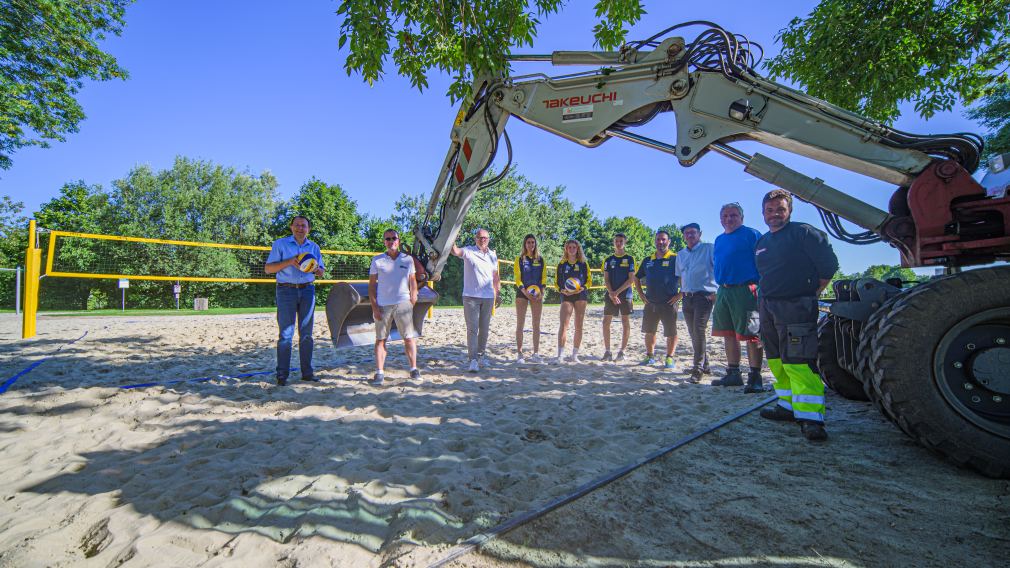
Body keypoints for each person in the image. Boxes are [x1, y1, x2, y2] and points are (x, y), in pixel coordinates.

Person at [755, 189, 839, 442]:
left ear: (789, 211)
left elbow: (829, 266)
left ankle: (812, 418)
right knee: (777, 360)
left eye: (780, 209)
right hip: (768, 305)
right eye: (770, 210)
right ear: (763, 213)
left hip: (797, 305)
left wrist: (810, 292)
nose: (775, 214)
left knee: (800, 362)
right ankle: (787, 406)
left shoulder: (803, 233)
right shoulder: (763, 242)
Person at [264, 215, 325, 386]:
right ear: (291, 227)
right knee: (285, 335)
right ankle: (282, 376)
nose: (300, 228)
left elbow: (321, 272)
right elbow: (268, 269)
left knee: (306, 335)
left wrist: (315, 268)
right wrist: (290, 262)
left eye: (303, 226)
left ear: (308, 229)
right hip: (285, 290)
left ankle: (307, 373)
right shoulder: (280, 244)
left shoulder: (314, 247)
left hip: (307, 290)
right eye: (297, 225)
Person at [711, 202, 765, 392]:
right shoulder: (719, 239)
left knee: (752, 334)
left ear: (741, 217)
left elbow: (764, 261)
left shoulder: (752, 234)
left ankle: (755, 376)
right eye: (725, 216)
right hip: (724, 290)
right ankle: (733, 373)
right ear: (720, 219)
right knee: (728, 333)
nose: (729, 219)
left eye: (733, 215)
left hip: (747, 289)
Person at [368, 229, 420, 386]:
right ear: (384, 241)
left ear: (399, 240)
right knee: (380, 339)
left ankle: (414, 369)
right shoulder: (377, 260)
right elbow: (371, 286)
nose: (391, 241)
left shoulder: (408, 259)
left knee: (409, 337)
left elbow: (412, 280)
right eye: (388, 238)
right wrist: (374, 306)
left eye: (394, 238)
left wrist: (414, 295)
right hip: (383, 305)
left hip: (403, 303)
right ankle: (379, 372)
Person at [451, 228, 500, 373]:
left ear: (488, 239)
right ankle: (472, 360)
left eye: (485, 238)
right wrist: (452, 237)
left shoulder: (492, 255)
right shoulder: (469, 251)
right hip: (470, 296)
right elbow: (455, 251)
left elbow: (495, 277)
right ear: (475, 239)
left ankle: (481, 356)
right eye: (479, 237)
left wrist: (497, 293)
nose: (482, 240)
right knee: (473, 329)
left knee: (484, 329)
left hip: (488, 297)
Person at [676, 223, 717, 382]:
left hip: (704, 296)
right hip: (687, 296)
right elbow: (681, 276)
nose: (690, 236)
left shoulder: (709, 248)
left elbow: (719, 268)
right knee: (693, 332)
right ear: (684, 236)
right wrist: (681, 292)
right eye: (687, 233)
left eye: (693, 233)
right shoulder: (681, 254)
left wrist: (716, 291)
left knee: (699, 330)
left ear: (700, 233)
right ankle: (705, 364)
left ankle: (697, 368)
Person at [634, 230, 681, 370]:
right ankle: (650, 356)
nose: (660, 242)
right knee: (649, 331)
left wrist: (681, 294)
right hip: (651, 302)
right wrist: (641, 295)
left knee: (671, 332)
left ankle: (669, 358)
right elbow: (636, 278)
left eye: (663, 239)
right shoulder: (648, 260)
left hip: (669, 302)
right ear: (655, 241)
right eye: (658, 239)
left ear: (669, 241)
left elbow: (685, 276)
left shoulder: (675, 258)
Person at [555, 238, 592, 364]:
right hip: (566, 295)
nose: (571, 249)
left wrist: (582, 288)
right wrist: (561, 290)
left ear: (578, 249)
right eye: (569, 247)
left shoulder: (583, 263)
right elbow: (557, 282)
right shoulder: (561, 264)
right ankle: (560, 355)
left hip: (580, 295)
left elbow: (589, 281)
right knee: (564, 325)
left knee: (579, 326)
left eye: (574, 247)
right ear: (566, 249)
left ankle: (574, 355)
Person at [601, 233, 635, 362]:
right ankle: (608, 351)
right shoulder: (608, 260)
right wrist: (611, 293)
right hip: (611, 294)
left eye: (621, 241)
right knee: (606, 322)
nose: (619, 243)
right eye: (616, 241)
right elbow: (606, 279)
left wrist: (616, 293)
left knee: (625, 322)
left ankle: (622, 351)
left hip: (625, 294)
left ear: (625, 242)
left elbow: (631, 279)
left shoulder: (630, 259)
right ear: (613, 243)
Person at [514, 234, 547, 364]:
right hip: (522, 293)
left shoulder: (541, 259)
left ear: (535, 244)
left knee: (536, 324)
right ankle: (520, 353)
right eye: (528, 242)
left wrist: (541, 292)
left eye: (533, 242)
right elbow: (517, 278)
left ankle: (536, 353)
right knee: (520, 324)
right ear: (525, 244)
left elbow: (544, 278)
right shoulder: (520, 259)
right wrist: (525, 292)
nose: (531, 245)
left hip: (537, 294)